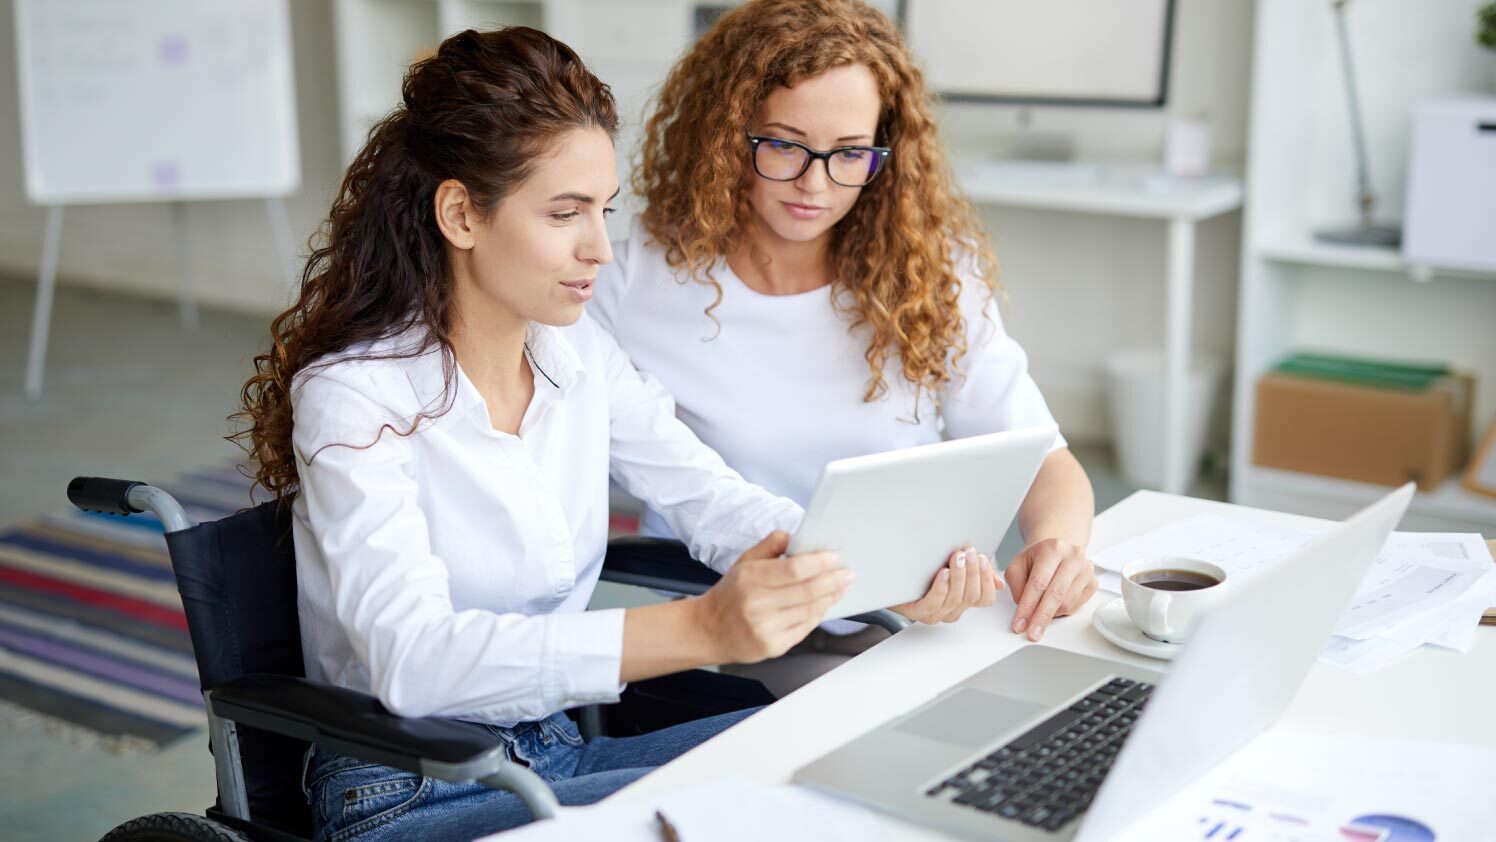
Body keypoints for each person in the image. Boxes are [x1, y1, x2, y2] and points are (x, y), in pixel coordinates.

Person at [230, 26, 895, 841]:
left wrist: (877, 566)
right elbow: (413, 660)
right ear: (460, 213)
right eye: (564, 212)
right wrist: (700, 630)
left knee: (832, 763)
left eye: (603, 210)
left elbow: (708, 496)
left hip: (555, 756)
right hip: (406, 789)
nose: (599, 249)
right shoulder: (355, 397)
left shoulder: (577, 353)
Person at [590, 0, 1099, 694]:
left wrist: (1057, 547)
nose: (815, 183)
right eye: (784, 145)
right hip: (743, 638)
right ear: (723, 135)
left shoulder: (930, 274)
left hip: (918, 622)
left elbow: (1042, 456)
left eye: (849, 154)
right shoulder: (630, 284)